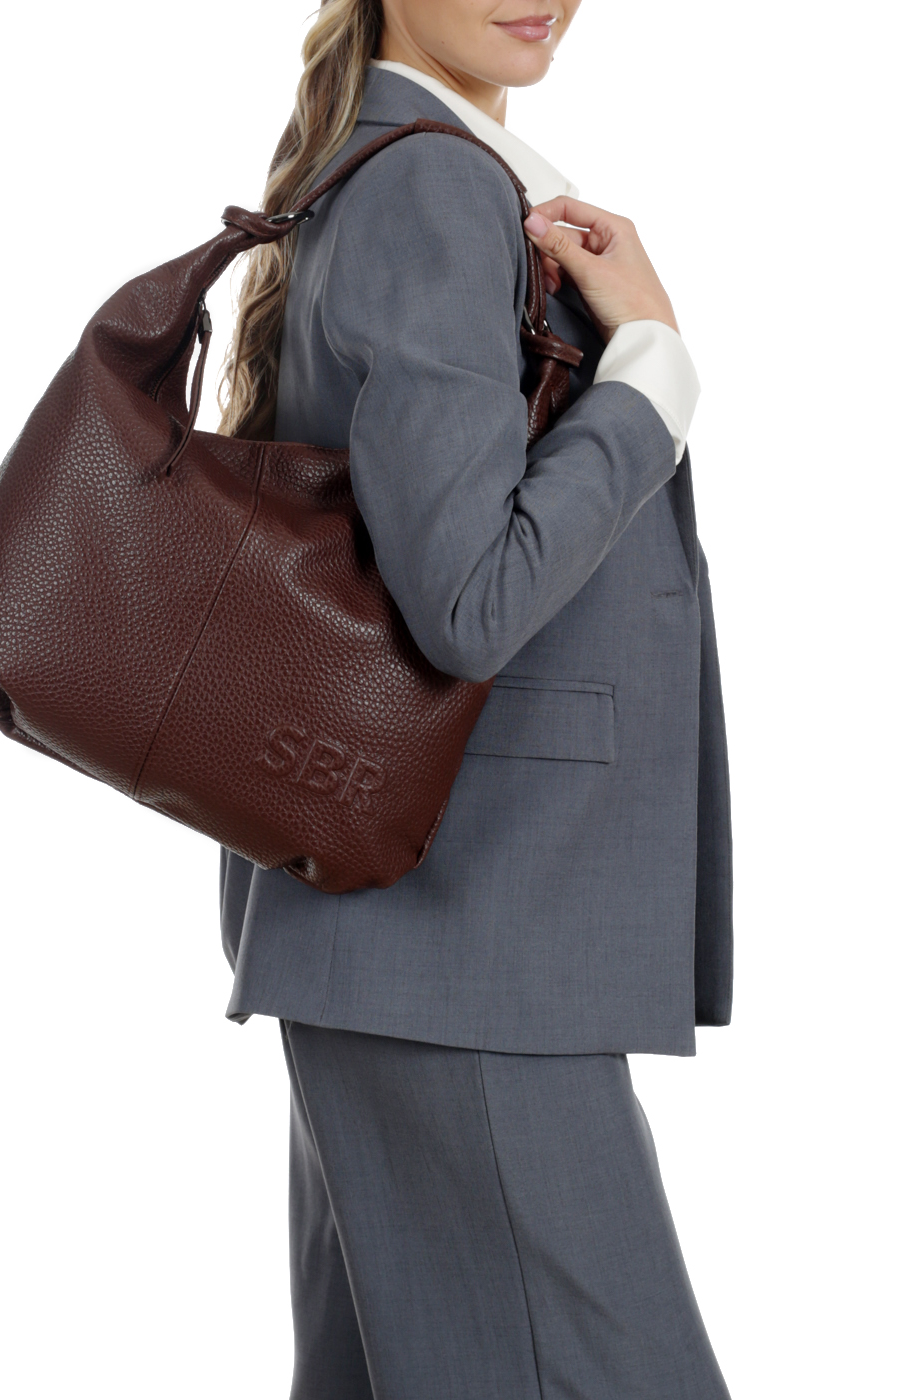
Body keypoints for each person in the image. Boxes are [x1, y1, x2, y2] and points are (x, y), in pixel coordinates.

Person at [217, 2, 734, 1395]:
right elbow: (471, 599)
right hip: (466, 943)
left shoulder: (400, 171)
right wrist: (651, 366)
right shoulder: (435, 189)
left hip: (406, 942)